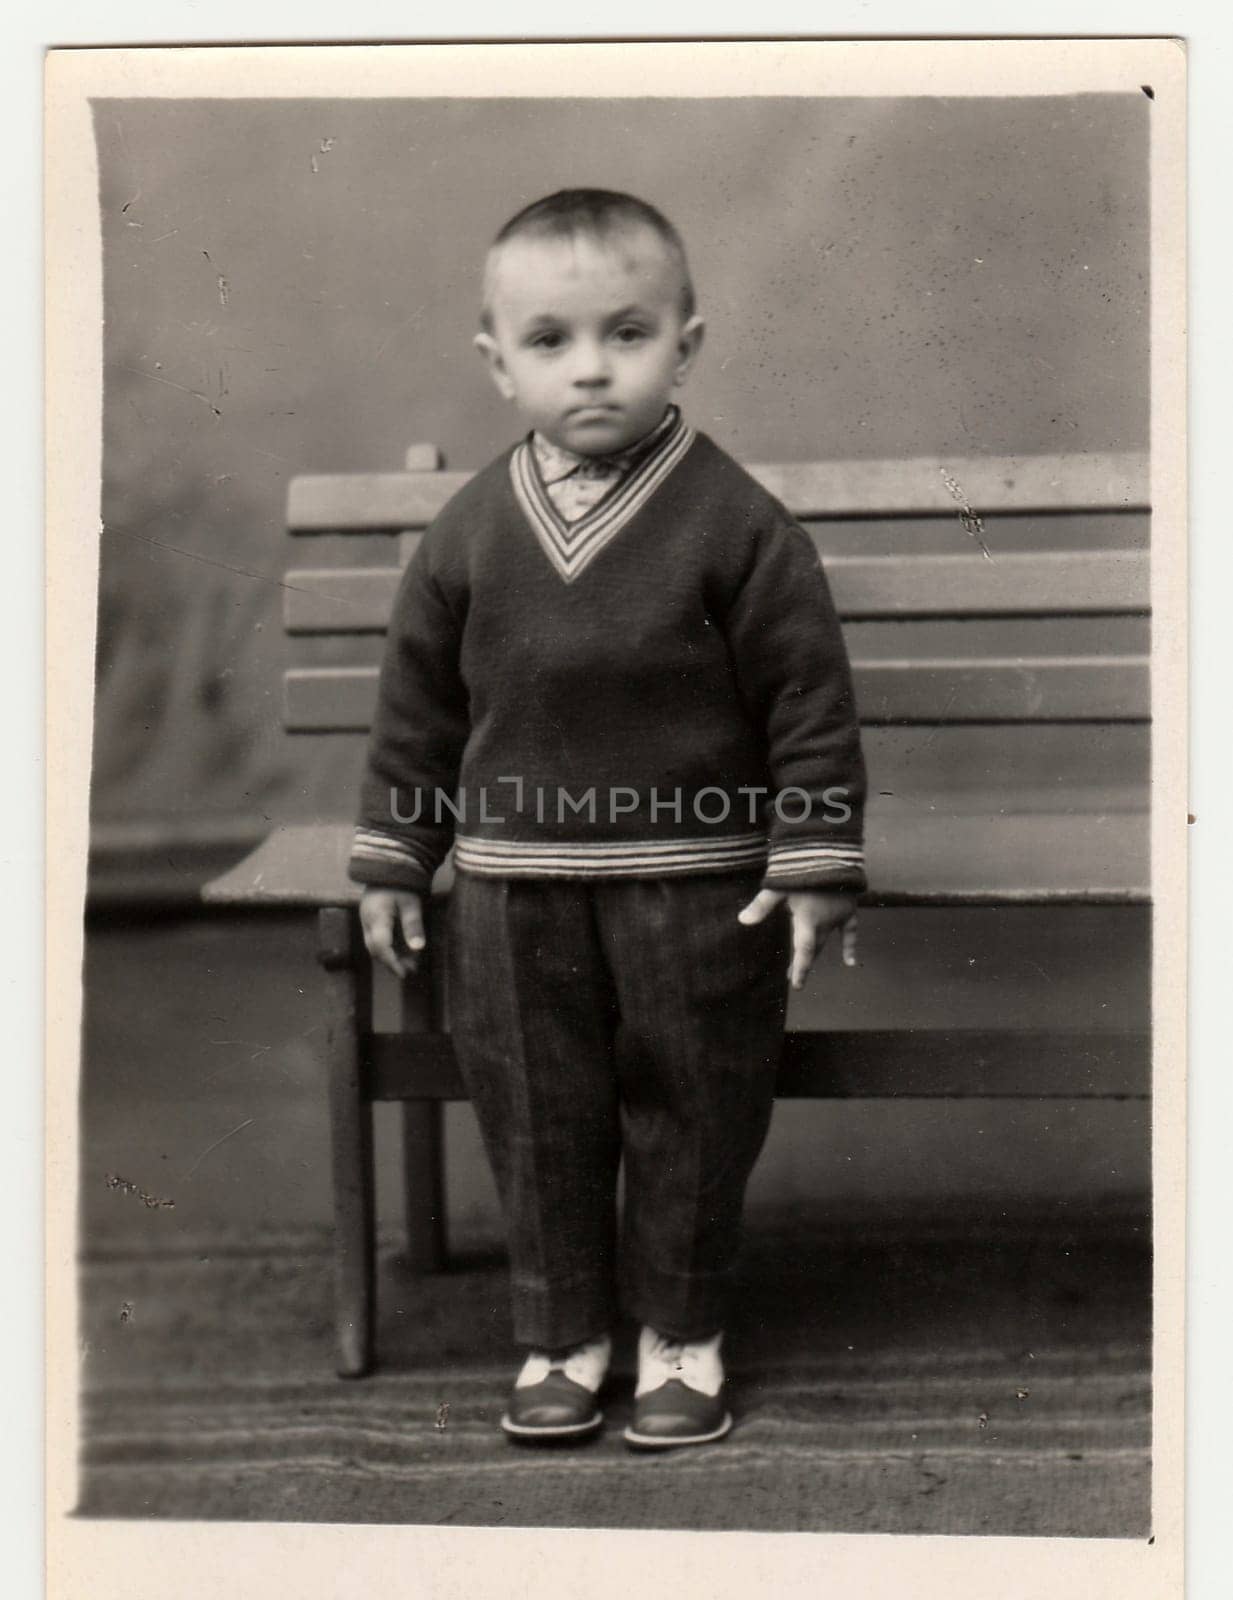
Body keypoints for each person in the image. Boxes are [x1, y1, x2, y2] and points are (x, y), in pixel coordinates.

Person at [349, 189, 867, 1450]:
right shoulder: (469, 531)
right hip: (516, 889)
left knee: (694, 1106)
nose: (591, 369)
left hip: (697, 889)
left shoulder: (737, 523)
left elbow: (807, 696)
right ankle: (564, 1332)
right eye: (551, 342)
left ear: (686, 342)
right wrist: (395, 858)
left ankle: (681, 1334)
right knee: (538, 1111)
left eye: (627, 334)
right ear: (497, 363)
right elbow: (419, 710)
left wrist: (810, 857)